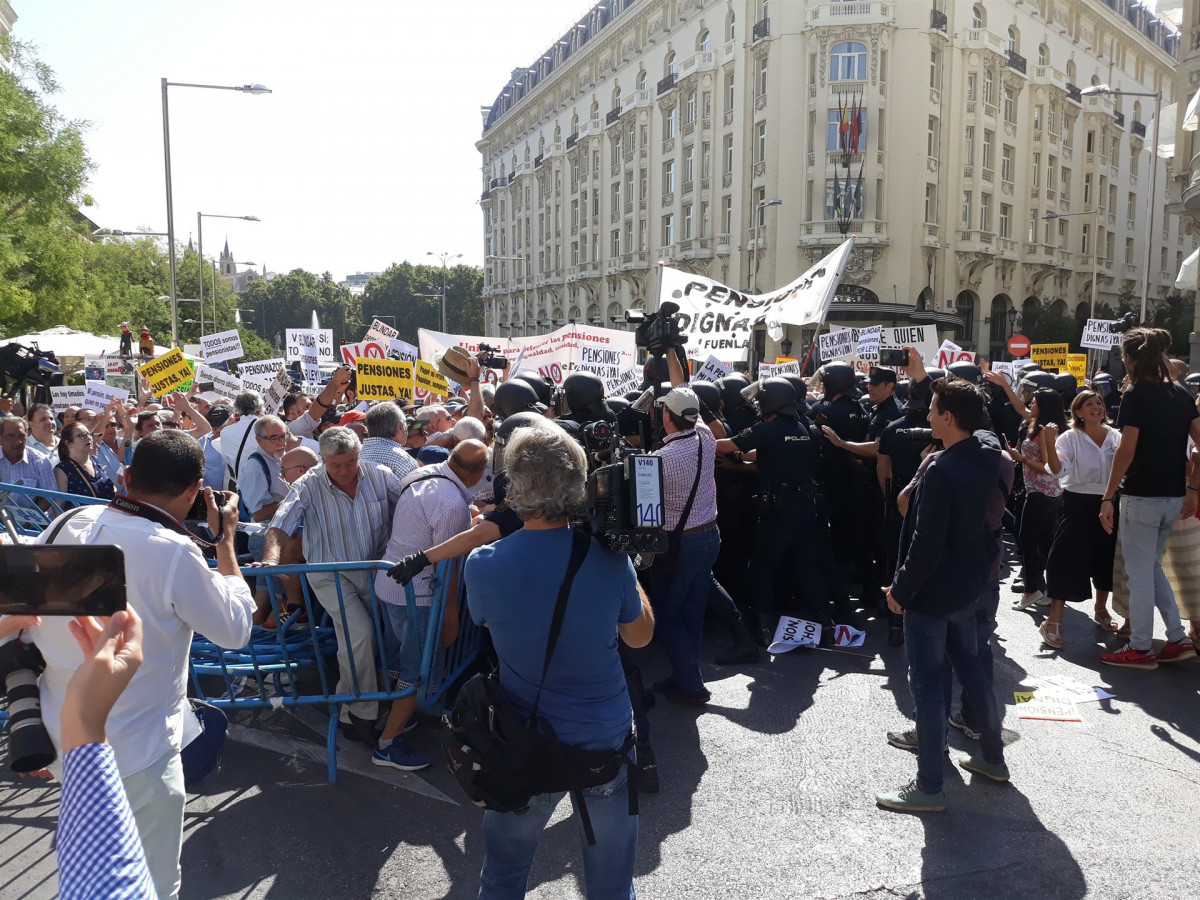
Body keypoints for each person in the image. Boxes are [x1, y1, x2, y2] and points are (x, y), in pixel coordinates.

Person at [29, 430, 254, 898]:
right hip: (139, 753)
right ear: (196, 490)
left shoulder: (68, 520)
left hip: (62, 739)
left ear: (125, 476)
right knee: (151, 884)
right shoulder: (172, 550)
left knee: (92, 871)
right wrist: (226, 539)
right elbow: (234, 630)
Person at [464, 422, 654, 900]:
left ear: (512, 484)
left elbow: (488, 625)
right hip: (603, 736)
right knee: (611, 884)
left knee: (503, 878)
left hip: (525, 739)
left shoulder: (482, 562)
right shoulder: (609, 560)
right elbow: (640, 637)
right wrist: (630, 565)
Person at [877, 379, 1009, 813]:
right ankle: (992, 759)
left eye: (933, 409)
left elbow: (924, 544)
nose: (927, 417)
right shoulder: (988, 453)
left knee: (929, 690)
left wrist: (900, 591)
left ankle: (929, 787)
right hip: (970, 586)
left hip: (933, 596)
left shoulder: (941, 469)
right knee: (973, 674)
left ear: (949, 417)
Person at [262, 426, 406, 745]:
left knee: (359, 641)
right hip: (330, 572)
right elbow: (280, 525)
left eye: (350, 462)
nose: (344, 471)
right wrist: (271, 560)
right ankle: (363, 715)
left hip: (372, 569)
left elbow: (408, 508)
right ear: (323, 461)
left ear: (359, 456)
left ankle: (346, 711)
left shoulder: (381, 475)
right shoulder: (307, 484)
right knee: (360, 634)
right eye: (335, 465)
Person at [372, 439, 490, 770]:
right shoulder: (451, 503)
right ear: (478, 474)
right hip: (419, 597)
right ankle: (388, 744)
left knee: (394, 661)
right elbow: (446, 568)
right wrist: (450, 618)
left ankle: (385, 720)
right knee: (417, 671)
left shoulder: (423, 478)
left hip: (392, 586)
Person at [1098, 327, 1200, 668]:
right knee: (1151, 568)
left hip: (1142, 494)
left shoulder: (1137, 394)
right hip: (1172, 494)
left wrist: (1107, 496)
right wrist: (1190, 486)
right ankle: (1176, 638)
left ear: (1130, 359)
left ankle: (1140, 648)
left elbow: (1126, 450)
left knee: (1139, 573)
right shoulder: (1181, 394)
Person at [716, 377, 838, 644]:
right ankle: (825, 622)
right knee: (808, 565)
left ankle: (762, 626)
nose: (758, 405)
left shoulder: (767, 430)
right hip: (808, 506)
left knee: (761, 566)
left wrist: (696, 433)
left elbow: (725, 446)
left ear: (770, 402)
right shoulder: (808, 427)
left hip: (779, 508)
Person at [646, 386, 721, 704]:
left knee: (666, 615)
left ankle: (692, 684)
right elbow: (699, 416)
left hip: (681, 546)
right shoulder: (707, 438)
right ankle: (683, 675)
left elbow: (645, 511)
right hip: (710, 537)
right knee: (692, 612)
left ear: (666, 417)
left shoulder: (660, 459)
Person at [1042, 391, 1122, 644]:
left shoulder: (1116, 436)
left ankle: (1101, 609)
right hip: (1077, 503)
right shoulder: (1069, 438)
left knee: (1106, 557)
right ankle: (1053, 621)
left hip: (1110, 502)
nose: (1097, 407)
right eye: (1089, 404)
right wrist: (1048, 442)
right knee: (1065, 559)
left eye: (1099, 403)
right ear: (1078, 412)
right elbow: (1057, 470)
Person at [1008, 389, 1065, 614]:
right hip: (1045, 493)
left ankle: (1032, 590)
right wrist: (1004, 385)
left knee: (1028, 540)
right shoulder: (1037, 423)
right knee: (1043, 541)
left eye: (1034, 402)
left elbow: (1048, 467)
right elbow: (1020, 409)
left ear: (1044, 406)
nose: (1030, 405)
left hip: (1043, 492)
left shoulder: (1043, 431)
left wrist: (1020, 458)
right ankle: (1048, 589)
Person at [54, 422, 116, 500]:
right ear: (69, 443)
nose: (89, 438)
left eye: (89, 434)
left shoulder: (95, 461)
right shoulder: (62, 470)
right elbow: (59, 504)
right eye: (82, 435)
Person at [359, 401, 419, 480]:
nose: (407, 427)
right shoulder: (402, 460)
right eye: (406, 423)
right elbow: (418, 490)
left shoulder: (356, 453)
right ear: (400, 427)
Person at [0, 416, 57, 491]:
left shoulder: (40, 461)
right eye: (11, 436)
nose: (18, 441)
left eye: (21, 436)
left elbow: (49, 496)